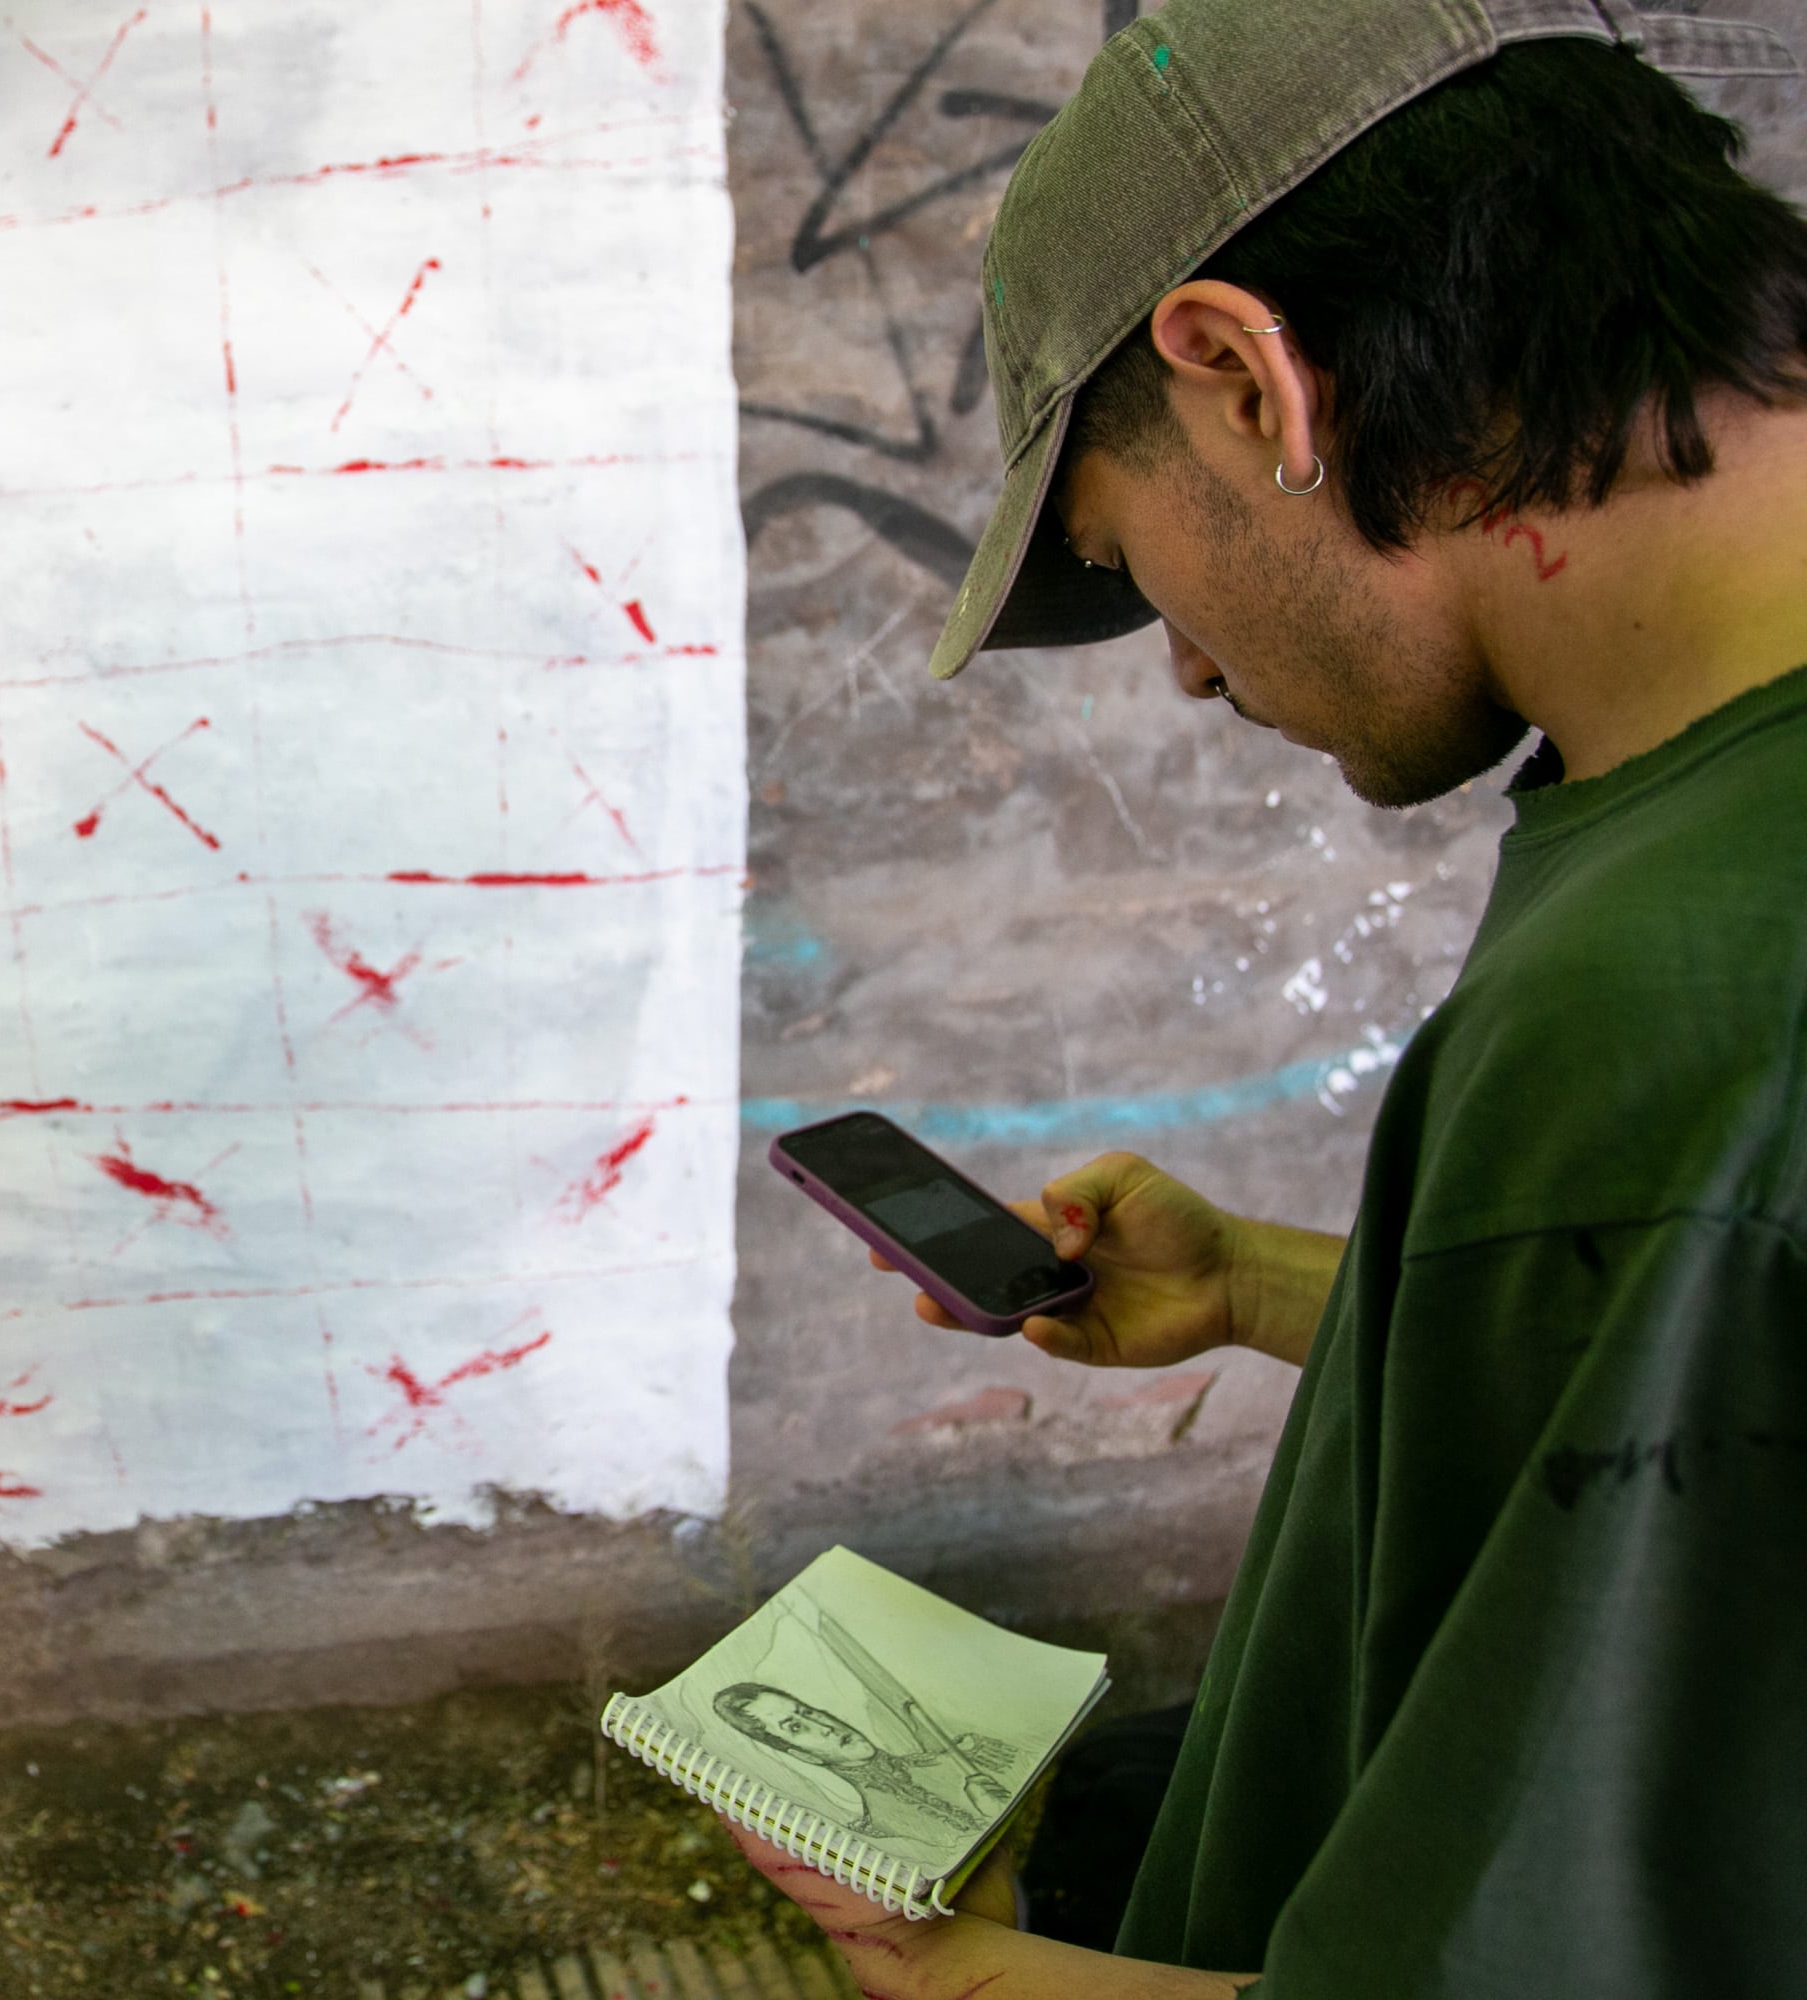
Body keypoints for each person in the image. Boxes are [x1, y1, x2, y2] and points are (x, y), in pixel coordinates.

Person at [725, 2, 1807, 1994]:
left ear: (1243, 379)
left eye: (1138, 569)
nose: (1195, 676)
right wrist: (1280, 1284)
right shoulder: (1695, 832)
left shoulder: (1676, 990)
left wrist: (957, 1974)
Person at [710, 1679, 1012, 1859]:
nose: (824, 1726)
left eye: (808, 1712)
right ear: (803, 1756)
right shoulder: (873, 1838)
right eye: (797, 1727)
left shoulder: (965, 1754)